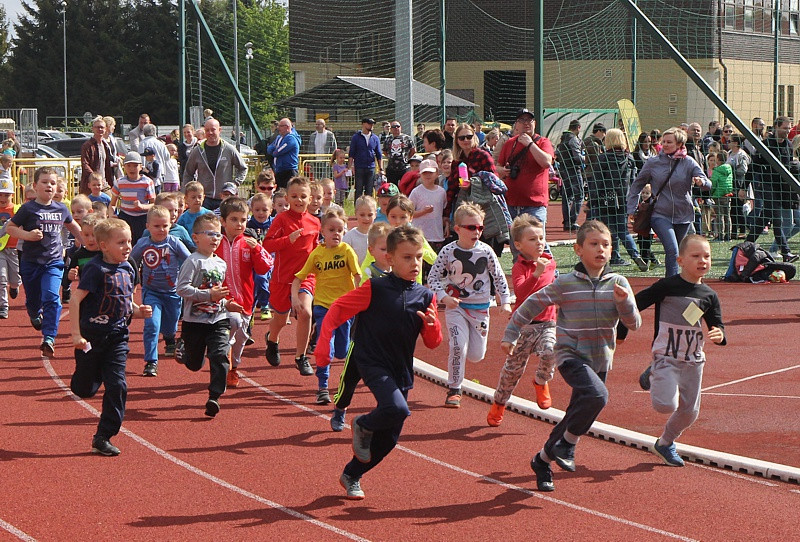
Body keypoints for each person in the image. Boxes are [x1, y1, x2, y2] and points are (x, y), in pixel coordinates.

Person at [504, 220, 641, 492]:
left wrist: (624, 301)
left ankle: (542, 460)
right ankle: (568, 444)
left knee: (579, 412)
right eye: (593, 244)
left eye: (606, 245)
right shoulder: (565, 283)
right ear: (578, 249)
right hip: (570, 355)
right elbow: (531, 303)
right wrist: (511, 334)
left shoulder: (619, 282)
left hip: (600, 358)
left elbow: (634, 323)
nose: (601, 249)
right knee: (598, 396)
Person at [315, 225, 441, 500]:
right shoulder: (374, 288)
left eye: (418, 257)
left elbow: (433, 343)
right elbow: (336, 310)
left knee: (390, 438)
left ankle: (351, 474)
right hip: (371, 361)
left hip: (401, 368)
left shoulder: (426, 296)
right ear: (389, 258)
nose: (415, 263)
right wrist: (323, 348)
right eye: (407, 257)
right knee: (397, 408)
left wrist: (432, 327)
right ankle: (362, 423)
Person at [627, 234, 725, 467]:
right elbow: (636, 304)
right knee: (665, 405)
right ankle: (653, 372)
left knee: (690, 412)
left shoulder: (709, 295)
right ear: (680, 260)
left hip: (693, 360)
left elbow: (716, 324)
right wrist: (621, 326)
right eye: (696, 256)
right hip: (666, 356)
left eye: (707, 256)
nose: (703, 261)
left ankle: (665, 443)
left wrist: (719, 335)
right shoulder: (667, 286)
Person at [69, 218, 151, 456]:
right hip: (91, 337)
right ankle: (87, 378)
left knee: (117, 385)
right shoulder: (95, 269)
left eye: (129, 242)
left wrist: (138, 311)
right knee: (84, 390)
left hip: (117, 337)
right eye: (121, 242)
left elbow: (124, 302)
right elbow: (76, 300)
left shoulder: (129, 267)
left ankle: (103, 436)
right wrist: (76, 334)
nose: (127, 247)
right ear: (104, 246)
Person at [428, 203, 511, 408]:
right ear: (458, 229)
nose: (477, 232)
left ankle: (458, 380)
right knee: (458, 346)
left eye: (480, 228)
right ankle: (454, 389)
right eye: (471, 228)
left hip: (480, 309)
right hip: (456, 308)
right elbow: (433, 278)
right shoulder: (448, 252)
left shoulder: (486, 251)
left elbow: (499, 277)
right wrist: (443, 297)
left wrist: (505, 300)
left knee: (476, 355)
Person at [488, 215, 557, 426]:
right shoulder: (520, 267)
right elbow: (521, 292)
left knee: (551, 350)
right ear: (518, 245)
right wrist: (536, 273)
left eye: (541, 238)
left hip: (548, 323)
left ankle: (541, 381)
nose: (539, 243)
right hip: (523, 326)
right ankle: (499, 403)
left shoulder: (550, 262)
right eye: (533, 239)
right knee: (512, 371)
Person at [7, 167, 83, 354]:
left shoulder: (61, 208)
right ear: (35, 185)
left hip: (54, 261)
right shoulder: (28, 208)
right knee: (33, 300)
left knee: (51, 297)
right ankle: (34, 314)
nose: (49, 185)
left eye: (53, 183)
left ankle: (49, 337)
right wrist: (27, 235)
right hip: (31, 262)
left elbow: (72, 225)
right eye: (45, 182)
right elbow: (10, 227)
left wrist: (85, 240)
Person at [176, 213, 243, 417]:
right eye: (209, 234)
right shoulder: (193, 261)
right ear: (195, 238)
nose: (215, 238)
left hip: (218, 319)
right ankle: (185, 349)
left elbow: (218, 292)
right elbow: (181, 289)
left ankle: (214, 396)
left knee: (220, 354)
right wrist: (207, 295)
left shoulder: (221, 264)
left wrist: (227, 303)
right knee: (195, 364)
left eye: (217, 234)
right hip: (194, 321)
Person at [294, 208, 360, 404]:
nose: (336, 234)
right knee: (325, 351)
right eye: (332, 230)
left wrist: (358, 299)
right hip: (323, 308)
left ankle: (323, 339)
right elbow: (299, 277)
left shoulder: (347, 251)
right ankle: (322, 388)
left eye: (340, 230)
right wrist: (295, 298)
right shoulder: (317, 254)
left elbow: (357, 275)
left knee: (342, 351)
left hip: (345, 308)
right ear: (323, 231)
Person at [627, 127, 710, 277]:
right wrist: (631, 208)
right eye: (663, 141)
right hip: (660, 214)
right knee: (672, 250)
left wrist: (701, 181)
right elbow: (637, 185)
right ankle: (672, 285)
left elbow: (707, 183)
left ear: (679, 144)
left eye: (669, 142)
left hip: (683, 215)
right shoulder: (653, 162)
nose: (664, 144)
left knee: (678, 252)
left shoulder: (688, 162)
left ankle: (679, 281)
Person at [263, 176, 321, 373]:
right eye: (294, 196)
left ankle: (301, 356)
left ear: (310, 198)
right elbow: (268, 244)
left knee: (305, 312)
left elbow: (315, 249)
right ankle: (272, 339)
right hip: (283, 277)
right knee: (280, 318)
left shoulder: (314, 222)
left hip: (305, 276)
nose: (299, 200)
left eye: (303, 196)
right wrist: (288, 240)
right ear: (287, 198)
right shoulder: (281, 219)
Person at [215, 197, 273, 387]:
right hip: (221, 302)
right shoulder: (216, 244)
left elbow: (265, 268)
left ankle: (234, 367)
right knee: (231, 325)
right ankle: (222, 365)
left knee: (240, 338)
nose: (239, 224)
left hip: (245, 302)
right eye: (234, 219)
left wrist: (257, 249)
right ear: (223, 221)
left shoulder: (249, 243)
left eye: (243, 219)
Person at [130, 205, 191, 377]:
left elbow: (189, 260)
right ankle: (151, 361)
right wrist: (132, 282)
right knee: (152, 324)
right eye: (156, 226)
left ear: (170, 225)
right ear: (147, 226)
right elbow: (130, 263)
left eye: (164, 226)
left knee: (171, 324)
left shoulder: (174, 242)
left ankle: (170, 338)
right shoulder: (143, 244)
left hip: (172, 292)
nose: (161, 229)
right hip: (152, 292)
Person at [591, 128, 648, 270]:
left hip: (605, 199)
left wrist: (593, 200)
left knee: (606, 231)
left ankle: (609, 258)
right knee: (623, 231)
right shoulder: (629, 158)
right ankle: (634, 255)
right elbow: (634, 181)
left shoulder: (602, 158)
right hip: (623, 199)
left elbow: (596, 181)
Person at [745, 116, 799, 262]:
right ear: (776, 127)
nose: (787, 131)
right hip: (766, 186)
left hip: (781, 188)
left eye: (789, 128)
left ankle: (746, 246)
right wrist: (744, 187)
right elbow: (753, 167)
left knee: (764, 218)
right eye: (785, 128)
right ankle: (786, 252)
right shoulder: (766, 145)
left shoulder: (788, 145)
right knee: (776, 218)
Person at [496, 109, 555, 227]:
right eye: (522, 120)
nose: (526, 123)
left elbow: (546, 162)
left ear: (535, 123)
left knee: (535, 243)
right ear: (516, 125)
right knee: (515, 244)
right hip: (511, 205)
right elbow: (497, 166)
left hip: (535, 206)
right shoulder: (509, 144)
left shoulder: (543, 142)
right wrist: (501, 171)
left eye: (529, 120)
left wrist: (530, 144)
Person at [182, 118, 248, 210]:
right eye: (207, 130)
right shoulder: (197, 151)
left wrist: (235, 183)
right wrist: (186, 193)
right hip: (204, 199)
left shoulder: (229, 149)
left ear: (219, 130)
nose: (210, 133)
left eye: (213, 130)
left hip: (224, 197)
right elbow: (188, 173)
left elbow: (243, 168)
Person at [444, 123, 497, 232]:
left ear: (474, 137)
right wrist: (446, 214)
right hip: (463, 206)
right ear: (457, 141)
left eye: (469, 136)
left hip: (484, 208)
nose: (466, 140)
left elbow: (494, 181)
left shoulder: (483, 156)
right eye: (462, 138)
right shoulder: (457, 161)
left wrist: (473, 184)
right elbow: (451, 190)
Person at [110, 151, 156, 242]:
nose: (132, 169)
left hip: (142, 218)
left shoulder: (147, 182)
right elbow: (112, 204)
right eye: (128, 165)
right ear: (124, 167)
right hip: (125, 217)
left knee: (140, 241)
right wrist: (112, 214)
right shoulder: (120, 182)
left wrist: (142, 206)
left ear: (140, 167)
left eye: (135, 166)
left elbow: (154, 204)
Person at [409, 158, 447, 255]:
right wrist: (424, 212)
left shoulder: (441, 192)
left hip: (437, 236)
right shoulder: (416, 192)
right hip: (420, 236)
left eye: (430, 173)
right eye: (424, 173)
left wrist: (446, 224)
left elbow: (443, 211)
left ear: (437, 173)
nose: (428, 175)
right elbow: (409, 214)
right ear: (420, 175)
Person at [555, 120, 586, 231]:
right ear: (578, 127)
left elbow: (557, 154)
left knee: (567, 196)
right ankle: (572, 221)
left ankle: (567, 222)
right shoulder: (573, 139)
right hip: (574, 169)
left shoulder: (563, 138)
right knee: (579, 195)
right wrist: (587, 159)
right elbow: (577, 156)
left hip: (564, 170)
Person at [0, 176, 20, 319]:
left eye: (6, 194)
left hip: (15, 250)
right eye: (0, 194)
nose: (3, 198)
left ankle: (14, 286)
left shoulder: (18, 209)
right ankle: (3, 306)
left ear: (12, 195)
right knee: (1, 278)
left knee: (15, 278)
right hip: (0, 249)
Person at [79, 117, 115, 195]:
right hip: (90, 186)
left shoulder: (105, 145)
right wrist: (94, 178)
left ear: (105, 129)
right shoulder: (87, 145)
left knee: (110, 203)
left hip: (104, 184)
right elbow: (85, 164)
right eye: (97, 127)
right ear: (93, 129)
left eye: (102, 127)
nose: (99, 129)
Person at [349, 118, 383, 198]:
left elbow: (378, 154)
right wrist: (350, 167)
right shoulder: (356, 137)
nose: (371, 125)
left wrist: (381, 168)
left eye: (372, 124)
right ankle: (358, 207)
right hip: (359, 167)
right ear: (363, 124)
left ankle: (369, 206)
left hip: (371, 167)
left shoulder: (375, 138)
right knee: (358, 189)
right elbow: (352, 153)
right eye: (369, 123)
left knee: (369, 190)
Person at [267, 118, 301, 189]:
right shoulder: (279, 137)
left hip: (289, 171)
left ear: (288, 127)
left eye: (281, 126)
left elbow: (277, 152)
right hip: (279, 170)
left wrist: (275, 150)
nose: (278, 128)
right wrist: (273, 150)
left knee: (288, 192)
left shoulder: (291, 138)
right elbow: (270, 148)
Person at [343, 195, 376, 264]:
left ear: (375, 215)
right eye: (362, 215)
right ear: (356, 214)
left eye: (370, 215)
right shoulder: (350, 236)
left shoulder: (378, 235)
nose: (366, 218)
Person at [139, 124, 173, 192]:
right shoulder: (160, 143)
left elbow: (140, 159)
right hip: (159, 174)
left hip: (147, 174)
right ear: (155, 132)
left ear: (144, 133)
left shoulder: (142, 143)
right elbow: (167, 157)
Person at [708, 151, 733, 241]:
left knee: (719, 216)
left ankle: (720, 236)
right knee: (727, 215)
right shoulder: (729, 169)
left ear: (717, 159)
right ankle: (728, 235)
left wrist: (711, 192)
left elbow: (713, 183)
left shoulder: (717, 171)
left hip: (718, 195)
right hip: (728, 195)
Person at [383, 121, 416, 185]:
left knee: (405, 186)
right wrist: (390, 157)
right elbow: (384, 151)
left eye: (398, 126)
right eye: (394, 127)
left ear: (401, 127)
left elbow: (413, 150)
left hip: (404, 167)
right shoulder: (388, 139)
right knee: (391, 188)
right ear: (391, 129)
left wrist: (407, 158)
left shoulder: (407, 138)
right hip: (391, 168)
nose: (396, 128)